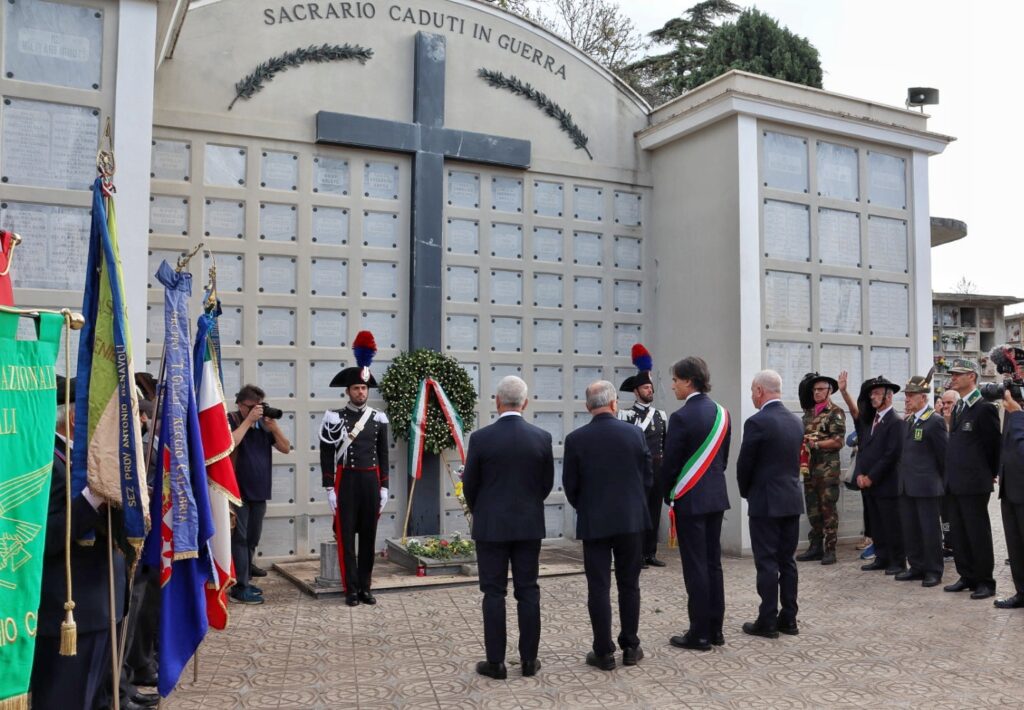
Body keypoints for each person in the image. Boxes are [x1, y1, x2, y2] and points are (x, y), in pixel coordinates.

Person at [32, 377, 130, 709]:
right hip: (70, 607)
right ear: (75, 418)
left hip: (102, 600)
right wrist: (92, 498)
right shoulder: (44, 458)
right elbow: (42, 536)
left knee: (94, 698)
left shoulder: (81, 457)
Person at [463, 375, 554, 679]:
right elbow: (545, 484)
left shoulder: (481, 438)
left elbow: (470, 485)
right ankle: (529, 661)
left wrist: (483, 510)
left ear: (497, 401)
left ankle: (496, 663)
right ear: (525, 403)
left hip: (491, 527)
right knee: (528, 590)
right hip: (529, 525)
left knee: (493, 593)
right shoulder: (541, 437)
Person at [563, 380, 652, 671]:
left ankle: (602, 652)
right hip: (631, 521)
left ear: (588, 406)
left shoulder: (576, 439)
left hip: (595, 521)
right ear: (614, 403)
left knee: (598, 587)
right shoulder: (636, 434)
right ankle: (631, 646)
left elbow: (570, 486)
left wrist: (588, 508)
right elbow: (648, 478)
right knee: (630, 584)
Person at [662, 357, 731, 651]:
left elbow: (671, 463)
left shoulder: (680, 417)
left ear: (689, 381)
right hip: (715, 497)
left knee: (696, 567)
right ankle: (716, 629)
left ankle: (699, 633)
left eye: (676, 380)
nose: (673, 385)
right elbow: (723, 460)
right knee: (713, 564)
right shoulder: (722, 413)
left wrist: (667, 492)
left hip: (690, 500)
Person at [320, 331, 389, 607]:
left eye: (364, 389)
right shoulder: (334, 417)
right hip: (346, 482)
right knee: (347, 537)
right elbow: (326, 453)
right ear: (348, 391)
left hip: (370, 481)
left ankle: (365, 587)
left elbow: (383, 453)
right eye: (356, 389)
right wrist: (329, 488)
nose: (361, 392)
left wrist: (384, 486)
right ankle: (350, 589)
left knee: (369, 538)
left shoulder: (378, 417)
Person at [736, 370, 804, 639]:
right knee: (787, 561)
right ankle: (789, 618)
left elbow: (745, 464)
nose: (752, 396)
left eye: (753, 391)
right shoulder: (795, 421)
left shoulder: (758, 422)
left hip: (765, 501)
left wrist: (746, 492)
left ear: (761, 391)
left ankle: (767, 620)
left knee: (766, 562)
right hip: (791, 498)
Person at [943, 359, 1000, 600]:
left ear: (972, 377)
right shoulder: (958, 407)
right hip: (955, 482)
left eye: (959, 374)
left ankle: (985, 580)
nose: (953, 377)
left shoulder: (984, 407)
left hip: (974, 483)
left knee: (977, 532)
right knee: (958, 532)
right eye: (953, 374)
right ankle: (966, 575)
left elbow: (993, 446)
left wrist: (988, 473)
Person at [229, 383, 291, 604]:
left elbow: (286, 448)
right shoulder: (233, 419)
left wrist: (274, 427)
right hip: (237, 490)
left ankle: (245, 576)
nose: (257, 410)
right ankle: (240, 586)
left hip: (260, 490)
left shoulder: (264, 426)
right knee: (240, 538)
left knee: (253, 537)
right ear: (240, 405)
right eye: (251, 407)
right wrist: (248, 420)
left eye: (260, 406)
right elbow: (230, 443)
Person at [618, 343, 669, 568]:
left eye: (650, 387)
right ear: (636, 391)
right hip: (636, 469)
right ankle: (636, 554)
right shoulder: (626, 415)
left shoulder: (661, 415)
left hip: (657, 468)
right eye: (645, 387)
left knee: (654, 511)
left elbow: (665, 444)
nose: (650, 390)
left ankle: (650, 552)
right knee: (638, 512)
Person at [896, 376, 947, 588]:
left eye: (911, 395)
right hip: (907, 485)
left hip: (926, 486)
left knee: (929, 531)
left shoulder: (934, 421)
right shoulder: (908, 421)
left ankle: (933, 570)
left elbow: (943, 456)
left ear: (923, 397)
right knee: (910, 529)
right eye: (906, 395)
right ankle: (916, 566)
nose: (906, 399)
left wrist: (940, 483)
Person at [853, 376, 905, 575]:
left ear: (888, 397)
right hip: (868, 484)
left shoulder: (896, 422)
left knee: (891, 524)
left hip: (887, 483)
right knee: (876, 523)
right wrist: (859, 474)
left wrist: (871, 477)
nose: (872, 397)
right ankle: (882, 557)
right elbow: (862, 449)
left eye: (876, 393)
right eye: (871, 393)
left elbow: (891, 455)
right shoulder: (870, 421)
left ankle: (898, 561)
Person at [796, 372, 845, 565]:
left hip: (827, 471)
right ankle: (815, 547)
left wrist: (816, 445)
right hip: (809, 469)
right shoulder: (808, 413)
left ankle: (830, 550)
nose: (816, 392)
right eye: (814, 389)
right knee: (813, 510)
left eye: (821, 389)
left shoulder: (836, 413)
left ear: (829, 391)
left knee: (828, 510)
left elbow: (838, 441)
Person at [838, 371, 872, 559]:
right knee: (869, 510)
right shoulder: (865, 422)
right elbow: (854, 412)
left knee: (880, 513)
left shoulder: (889, 421)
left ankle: (880, 544)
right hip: (865, 476)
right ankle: (871, 539)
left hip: (879, 477)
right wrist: (844, 392)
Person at [995, 390, 1024, 608]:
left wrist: (1017, 416)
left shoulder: (1017, 413)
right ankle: (1021, 592)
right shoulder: (1014, 409)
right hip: (1010, 488)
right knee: (1015, 547)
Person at [938, 388, 961, 558]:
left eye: (949, 403)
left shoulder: (960, 422)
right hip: (941, 480)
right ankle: (948, 542)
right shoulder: (938, 422)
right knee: (945, 514)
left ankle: (958, 544)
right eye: (944, 403)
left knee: (957, 514)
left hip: (959, 480)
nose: (946, 406)